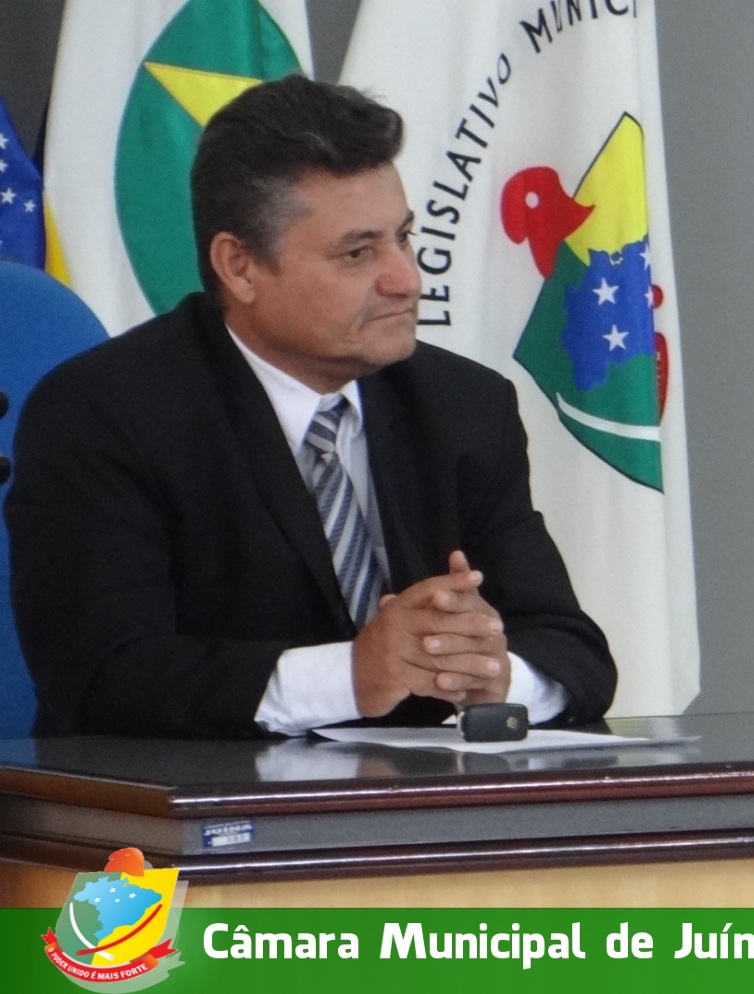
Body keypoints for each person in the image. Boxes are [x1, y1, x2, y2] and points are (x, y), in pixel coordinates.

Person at [6, 76, 616, 737]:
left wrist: (491, 673)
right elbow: (103, 678)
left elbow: (574, 652)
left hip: (423, 792)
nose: (406, 279)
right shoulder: (103, 415)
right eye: (358, 253)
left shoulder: (465, 406)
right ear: (240, 267)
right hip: (206, 795)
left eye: (403, 238)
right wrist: (351, 675)